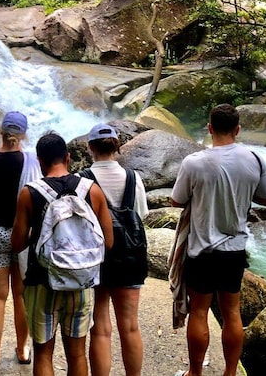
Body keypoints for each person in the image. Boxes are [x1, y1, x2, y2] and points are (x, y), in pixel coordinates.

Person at [170, 104, 266, 376]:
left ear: (210, 129)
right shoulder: (254, 159)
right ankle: (230, 372)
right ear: (238, 129)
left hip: (201, 250)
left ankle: (195, 373)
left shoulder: (194, 162)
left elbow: (176, 200)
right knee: (232, 313)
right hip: (235, 249)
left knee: (200, 312)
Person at [11, 132, 114, 376]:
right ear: (68, 158)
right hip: (81, 282)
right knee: (77, 353)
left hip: (42, 283)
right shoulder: (92, 190)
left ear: (39, 161)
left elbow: (17, 244)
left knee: (43, 353)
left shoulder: (30, 193)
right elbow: (108, 242)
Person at [0, 111, 41, 374]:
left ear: (0, 131)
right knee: (22, 295)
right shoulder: (31, 160)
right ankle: (23, 349)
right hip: (22, 234)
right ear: (23, 134)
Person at [81, 124, 149, 376]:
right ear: (117, 146)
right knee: (130, 326)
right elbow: (141, 215)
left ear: (90, 147)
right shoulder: (133, 178)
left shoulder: (83, 179)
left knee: (99, 327)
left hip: (97, 258)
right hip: (130, 257)